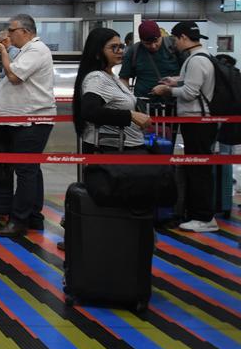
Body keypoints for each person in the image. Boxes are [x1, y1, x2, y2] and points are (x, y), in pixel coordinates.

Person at [0, 14, 56, 238]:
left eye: (12, 29)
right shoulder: (26, 51)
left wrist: (3, 52)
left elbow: (14, 76)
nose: (8, 33)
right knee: (31, 170)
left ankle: (19, 220)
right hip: (21, 120)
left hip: (32, 121)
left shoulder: (36, 50)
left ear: (25, 31)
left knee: (26, 171)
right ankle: (33, 215)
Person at [152, 21, 219, 232]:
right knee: (197, 168)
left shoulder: (196, 61)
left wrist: (166, 90)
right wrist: (175, 80)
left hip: (198, 121)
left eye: (174, 39)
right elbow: (192, 84)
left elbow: (190, 92)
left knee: (199, 169)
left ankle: (204, 217)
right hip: (199, 121)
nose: (174, 44)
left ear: (182, 38)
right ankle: (199, 213)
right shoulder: (202, 57)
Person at [72, 28, 151, 152]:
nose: (120, 51)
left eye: (121, 46)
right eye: (114, 47)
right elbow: (90, 111)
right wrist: (130, 115)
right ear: (98, 53)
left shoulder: (110, 76)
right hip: (110, 150)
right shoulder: (97, 78)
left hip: (124, 147)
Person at [119, 20, 182, 99]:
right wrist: (128, 98)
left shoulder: (174, 45)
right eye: (147, 43)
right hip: (144, 101)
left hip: (174, 100)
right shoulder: (134, 51)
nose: (153, 46)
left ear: (161, 36)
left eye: (156, 41)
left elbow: (189, 75)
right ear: (141, 40)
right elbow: (124, 78)